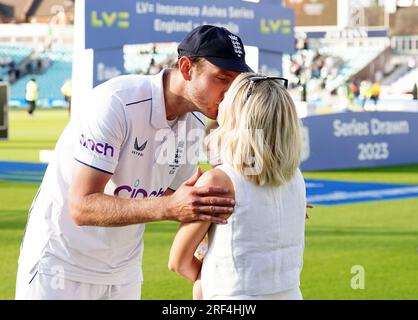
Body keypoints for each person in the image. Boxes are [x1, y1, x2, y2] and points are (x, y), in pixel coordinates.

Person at [15, 25, 252, 300]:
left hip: (124, 273)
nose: (230, 92)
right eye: (222, 78)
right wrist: (168, 207)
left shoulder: (196, 123)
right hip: (60, 266)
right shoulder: (116, 102)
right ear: (187, 68)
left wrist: (260, 201)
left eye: (236, 82)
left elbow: (181, 195)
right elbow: (81, 206)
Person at [168, 73, 307, 300]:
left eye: (227, 99)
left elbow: (178, 262)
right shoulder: (295, 178)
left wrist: (211, 282)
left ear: (237, 118)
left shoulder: (218, 181)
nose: (220, 102)